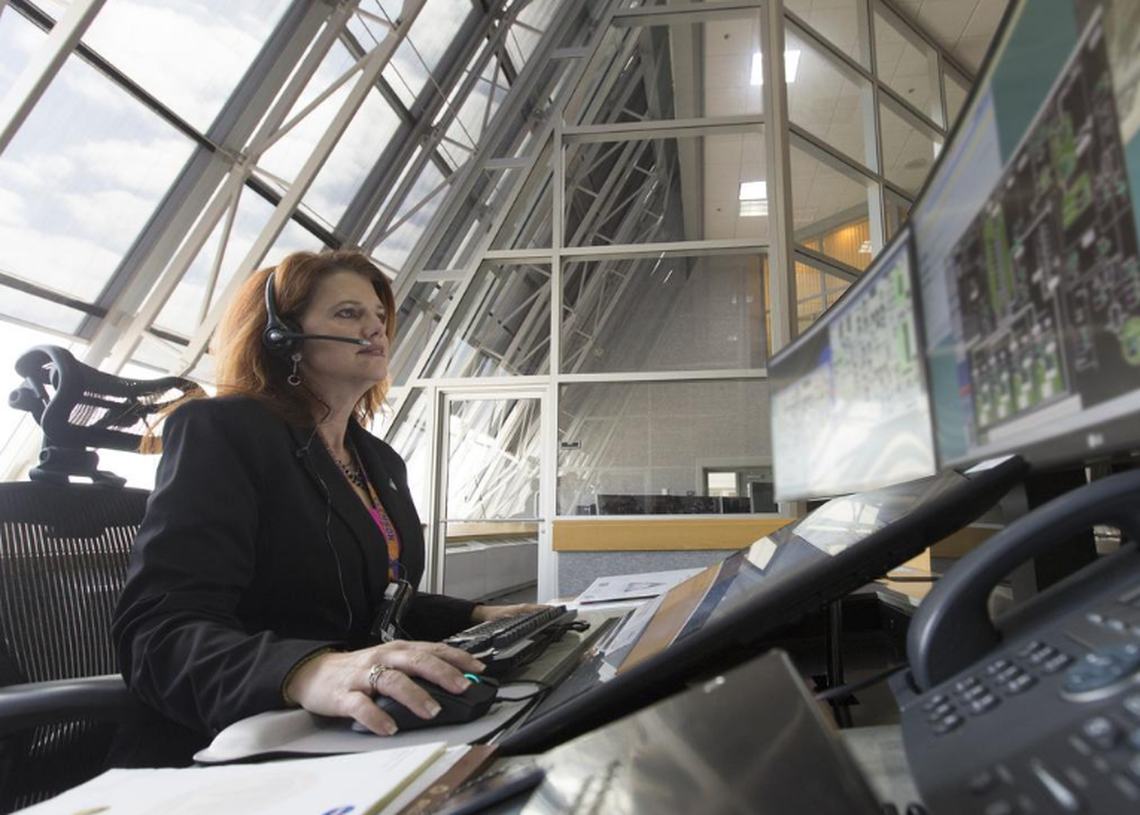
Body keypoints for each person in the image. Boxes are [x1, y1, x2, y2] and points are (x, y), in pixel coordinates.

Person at [112, 250, 544, 753]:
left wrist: (474, 618)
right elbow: (158, 632)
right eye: (348, 314)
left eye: (379, 317)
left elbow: (368, 600)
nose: (375, 329)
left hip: (356, 729)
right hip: (235, 740)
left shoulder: (378, 460)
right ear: (283, 336)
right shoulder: (225, 431)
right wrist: (304, 671)